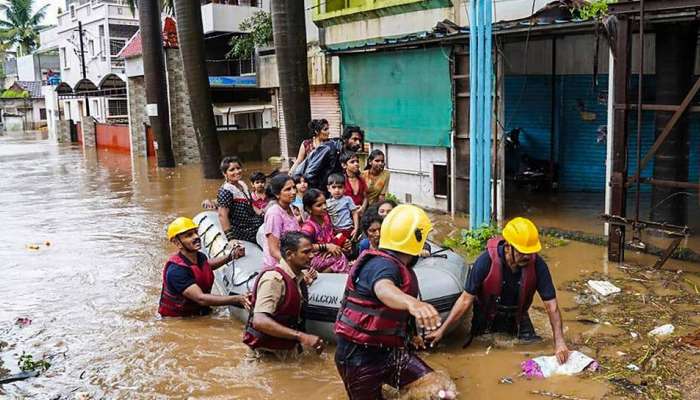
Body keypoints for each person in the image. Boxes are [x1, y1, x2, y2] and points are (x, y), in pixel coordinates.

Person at [334, 205, 456, 399]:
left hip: (390, 353)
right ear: (415, 238)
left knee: (440, 389)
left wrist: (413, 334)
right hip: (358, 357)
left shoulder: (398, 266)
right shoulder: (381, 265)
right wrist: (413, 304)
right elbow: (383, 289)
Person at [426, 217, 571, 364]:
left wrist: (559, 342)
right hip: (485, 315)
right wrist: (442, 331)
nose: (528, 256)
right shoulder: (485, 262)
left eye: (531, 252)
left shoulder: (538, 266)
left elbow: (551, 306)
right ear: (508, 246)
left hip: (518, 315)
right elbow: (465, 300)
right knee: (481, 352)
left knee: (533, 347)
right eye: (522, 252)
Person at [243, 231, 325, 358]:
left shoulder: (298, 278)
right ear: (289, 254)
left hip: (285, 350)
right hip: (265, 354)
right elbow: (259, 321)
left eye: (312, 251)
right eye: (306, 252)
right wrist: (301, 336)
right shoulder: (273, 279)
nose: (312, 256)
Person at [159, 217, 250, 317]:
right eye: (189, 235)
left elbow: (205, 267)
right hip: (180, 319)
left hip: (198, 311)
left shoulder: (199, 256)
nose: (196, 237)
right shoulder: (176, 271)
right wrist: (238, 299)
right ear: (177, 243)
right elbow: (200, 298)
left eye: (196, 232)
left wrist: (231, 256)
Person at [301, 189, 350, 273]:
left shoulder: (326, 218)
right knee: (339, 259)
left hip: (329, 252)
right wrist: (326, 246)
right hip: (314, 257)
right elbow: (303, 247)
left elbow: (331, 237)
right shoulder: (308, 227)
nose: (324, 207)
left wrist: (343, 243)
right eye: (319, 205)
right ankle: (321, 277)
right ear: (309, 208)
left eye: (325, 203)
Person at [300, 125, 364, 190]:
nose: (358, 143)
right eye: (355, 139)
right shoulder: (329, 148)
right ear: (345, 139)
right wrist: (318, 193)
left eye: (360, 140)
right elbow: (309, 173)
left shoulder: (348, 153)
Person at [217, 156, 263, 244]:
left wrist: (262, 213)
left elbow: (251, 204)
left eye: (238, 168)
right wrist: (231, 239)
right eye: (232, 170)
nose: (237, 172)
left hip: (252, 223)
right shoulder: (226, 190)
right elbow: (222, 215)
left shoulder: (242, 184)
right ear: (224, 173)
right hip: (242, 230)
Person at [262, 174, 301, 269]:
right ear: (277, 194)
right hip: (278, 265)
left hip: (293, 259)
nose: (293, 192)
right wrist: (293, 267)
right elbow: (274, 250)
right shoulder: (274, 213)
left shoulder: (290, 207)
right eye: (288, 189)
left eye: (294, 188)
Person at [325, 173, 359, 240]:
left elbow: (354, 213)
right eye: (334, 187)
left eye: (340, 187)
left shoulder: (347, 199)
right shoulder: (327, 203)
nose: (337, 190)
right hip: (334, 231)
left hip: (347, 229)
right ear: (328, 188)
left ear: (344, 188)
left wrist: (356, 228)